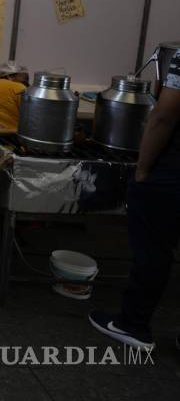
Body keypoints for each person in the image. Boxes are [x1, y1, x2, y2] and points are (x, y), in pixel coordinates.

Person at [89, 48, 180, 352]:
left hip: (172, 171)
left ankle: (133, 325)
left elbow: (164, 116)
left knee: (154, 249)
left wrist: (142, 170)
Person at [0, 62, 29, 133]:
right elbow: (30, 116)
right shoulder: (19, 87)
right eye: (23, 77)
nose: (26, 82)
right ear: (11, 76)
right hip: (10, 133)